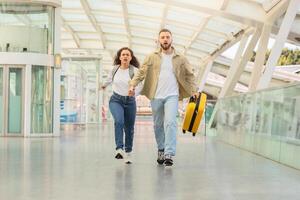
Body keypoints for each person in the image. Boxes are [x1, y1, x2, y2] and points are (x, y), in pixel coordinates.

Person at [128, 29, 198, 166]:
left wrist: (194, 90)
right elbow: (141, 73)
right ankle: (161, 148)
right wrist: (132, 85)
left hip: (172, 95)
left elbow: (190, 75)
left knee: (171, 122)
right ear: (158, 40)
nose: (165, 39)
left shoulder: (181, 58)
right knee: (158, 124)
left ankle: (169, 153)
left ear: (171, 39)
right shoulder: (151, 57)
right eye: (162, 37)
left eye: (167, 37)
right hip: (156, 95)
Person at [102, 47, 140, 164]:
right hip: (116, 100)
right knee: (119, 121)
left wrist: (134, 92)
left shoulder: (135, 70)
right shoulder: (114, 69)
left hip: (130, 101)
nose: (125, 56)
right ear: (119, 57)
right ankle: (119, 148)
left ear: (131, 57)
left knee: (129, 128)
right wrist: (103, 85)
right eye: (123, 54)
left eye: (127, 55)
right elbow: (109, 80)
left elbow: (140, 85)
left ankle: (128, 152)